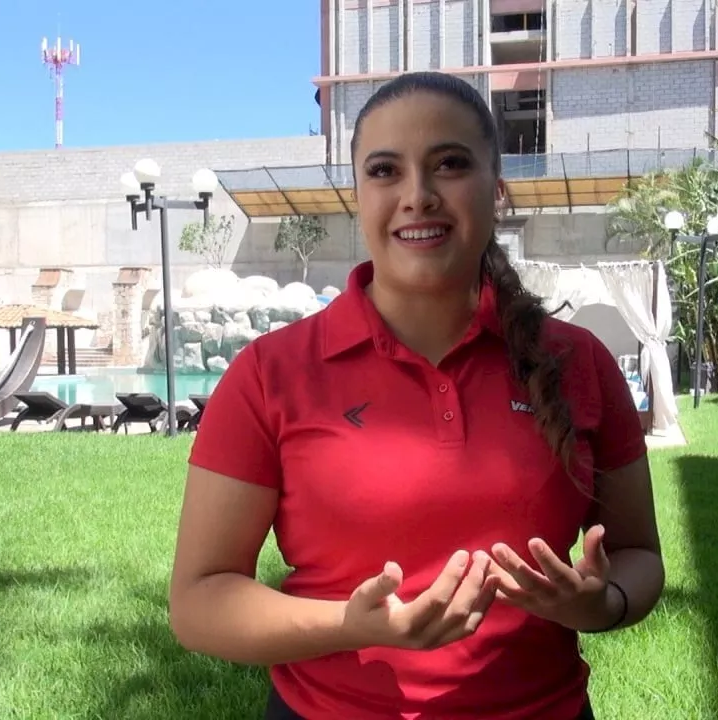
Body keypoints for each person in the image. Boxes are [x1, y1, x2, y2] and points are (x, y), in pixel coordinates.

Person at [169, 71, 665, 720]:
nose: (417, 196)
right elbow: (199, 602)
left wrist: (603, 604)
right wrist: (352, 626)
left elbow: (639, 554)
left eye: (450, 164)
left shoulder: (579, 362)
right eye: (384, 171)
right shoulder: (270, 374)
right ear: (358, 196)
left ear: (498, 189)